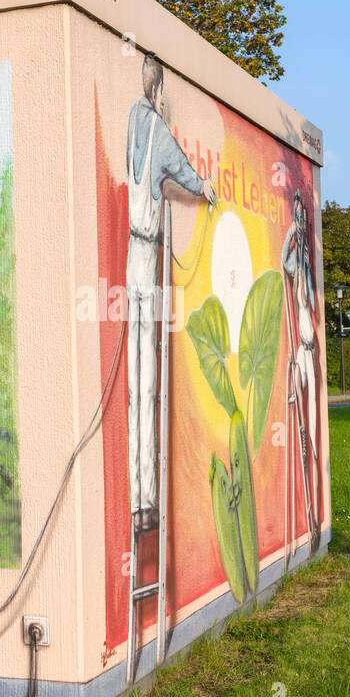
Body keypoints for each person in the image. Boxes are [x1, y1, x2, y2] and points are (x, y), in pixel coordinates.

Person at [125, 54, 216, 533]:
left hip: (131, 253)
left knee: (139, 387)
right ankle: (147, 502)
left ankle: (141, 501)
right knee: (147, 381)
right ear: (158, 88)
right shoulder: (156, 129)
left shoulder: (132, 125)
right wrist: (206, 188)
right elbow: (182, 168)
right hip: (146, 254)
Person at [281, 192, 321, 551]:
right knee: (301, 419)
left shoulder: (306, 269)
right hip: (300, 350)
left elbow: (307, 289)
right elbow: (283, 260)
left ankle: (314, 516)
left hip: (310, 350)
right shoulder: (297, 262)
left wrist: (303, 240)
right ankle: (302, 440)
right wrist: (292, 232)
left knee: (309, 415)